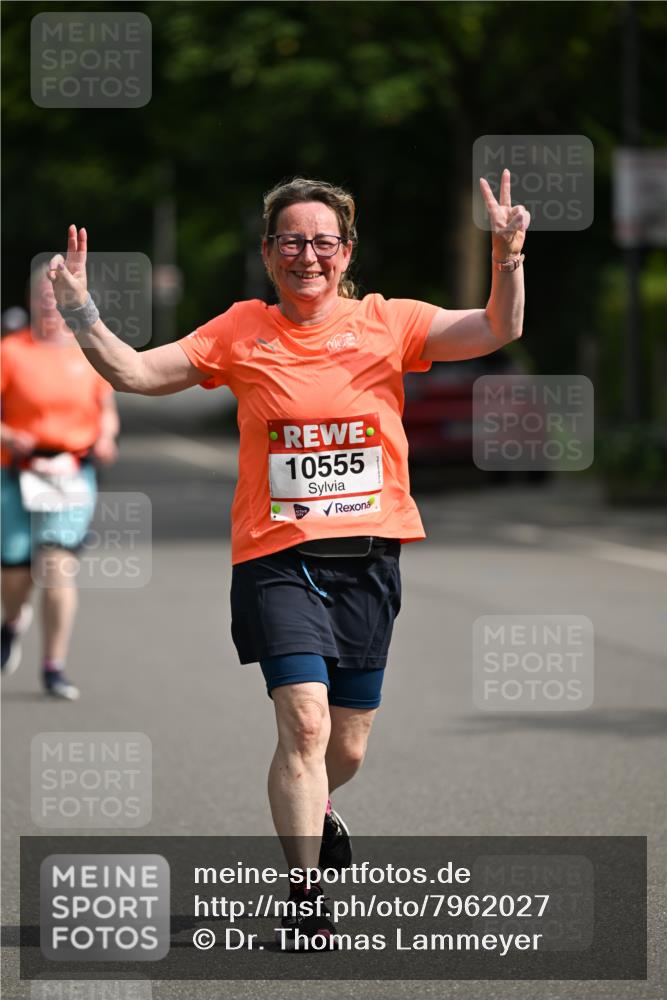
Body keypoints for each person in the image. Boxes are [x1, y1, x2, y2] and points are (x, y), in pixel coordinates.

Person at [46, 171, 528, 945]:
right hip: (277, 558)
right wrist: (80, 310)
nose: (308, 256)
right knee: (303, 724)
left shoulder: (388, 321)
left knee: (346, 745)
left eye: (323, 242)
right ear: (270, 253)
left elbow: (495, 328)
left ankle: (315, 804)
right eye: (292, 242)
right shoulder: (240, 330)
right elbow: (134, 372)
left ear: (346, 252)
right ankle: (305, 897)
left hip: (367, 560)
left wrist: (506, 253)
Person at [0, 270, 119, 699]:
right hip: (17, 470)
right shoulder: (11, 351)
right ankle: (13, 620)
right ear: (31, 301)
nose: (50, 304)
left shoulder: (88, 351)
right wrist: (8, 435)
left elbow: (106, 408)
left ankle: (53, 665)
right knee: (15, 571)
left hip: (70, 472)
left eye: (56, 296)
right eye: (42, 296)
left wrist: (106, 436)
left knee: (55, 566)